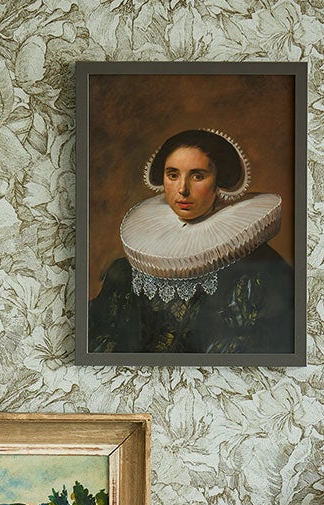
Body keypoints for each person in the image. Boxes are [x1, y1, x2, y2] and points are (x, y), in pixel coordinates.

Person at [88, 127, 294, 357]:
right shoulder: (128, 271)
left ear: (219, 182)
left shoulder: (255, 271)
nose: (183, 189)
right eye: (173, 175)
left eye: (198, 176)